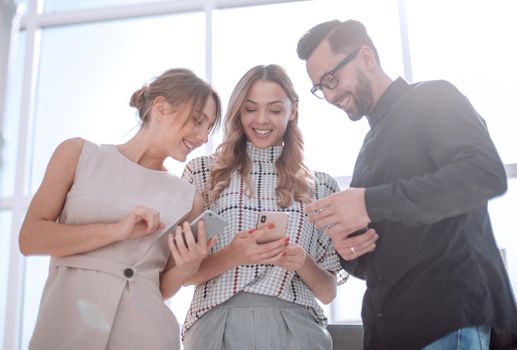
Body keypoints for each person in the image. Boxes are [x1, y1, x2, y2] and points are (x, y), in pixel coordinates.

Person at [296, 19, 517, 350]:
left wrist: (369, 203)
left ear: (367, 57)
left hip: (448, 321)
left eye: (332, 78)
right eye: (320, 87)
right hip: (388, 334)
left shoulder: (433, 98)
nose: (329, 95)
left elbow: (484, 174)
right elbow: (381, 261)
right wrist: (348, 251)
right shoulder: (367, 153)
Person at [178, 64, 379, 350]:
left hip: (297, 328)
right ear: (238, 111)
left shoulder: (320, 187)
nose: (261, 120)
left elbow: (328, 292)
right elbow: (183, 274)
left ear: (292, 111)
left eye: (274, 109)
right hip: (215, 324)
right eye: (250, 109)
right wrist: (233, 255)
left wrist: (302, 263)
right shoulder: (204, 174)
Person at [18, 68, 222, 350]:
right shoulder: (78, 154)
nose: (202, 137)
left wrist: (186, 268)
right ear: (160, 107)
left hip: (145, 333)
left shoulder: (188, 198)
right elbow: (30, 239)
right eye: (197, 121)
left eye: (208, 128)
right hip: (65, 325)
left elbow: (161, 287)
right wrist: (116, 230)